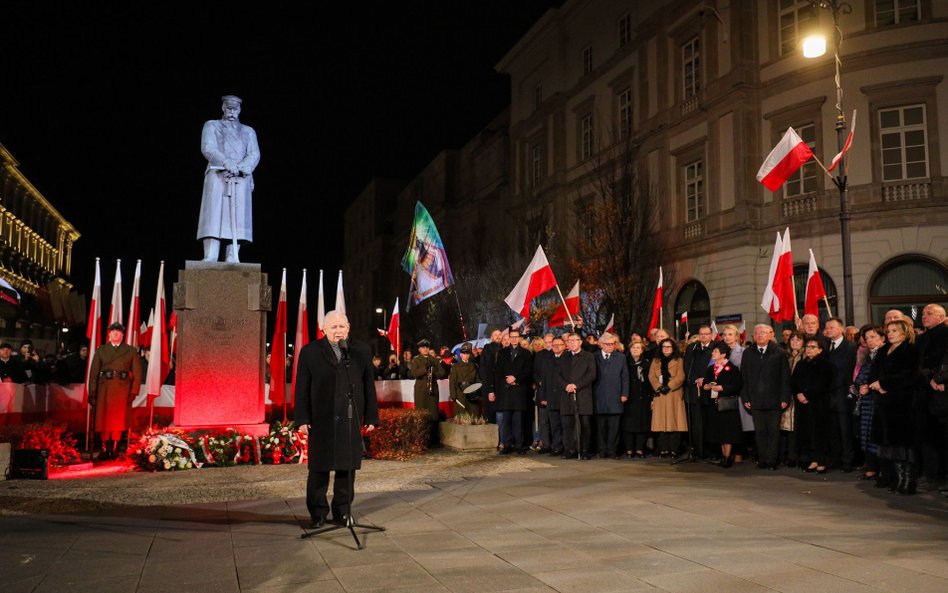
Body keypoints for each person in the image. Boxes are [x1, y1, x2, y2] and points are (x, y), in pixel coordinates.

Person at [294, 311, 378, 527]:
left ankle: (342, 512)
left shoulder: (361, 351)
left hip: (350, 418)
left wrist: (371, 415)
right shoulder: (309, 352)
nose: (339, 331)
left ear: (348, 328)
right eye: (334, 327)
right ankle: (318, 514)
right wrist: (302, 418)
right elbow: (301, 389)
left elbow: (369, 385)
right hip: (320, 419)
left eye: (342, 327)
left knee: (346, 469)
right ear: (323, 329)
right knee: (319, 470)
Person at [197, 95, 260, 263]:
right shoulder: (212, 125)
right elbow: (208, 147)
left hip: (240, 177)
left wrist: (244, 166)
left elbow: (254, 153)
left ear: (240, 110)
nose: (232, 112)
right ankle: (210, 254)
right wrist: (226, 161)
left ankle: (233, 255)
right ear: (223, 108)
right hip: (218, 174)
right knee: (214, 215)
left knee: (238, 217)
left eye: (235, 109)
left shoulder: (248, 131)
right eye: (229, 108)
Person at [868, 319, 922, 494]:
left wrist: (884, 384)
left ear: (905, 333)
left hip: (902, 403)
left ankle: (907, 481)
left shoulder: (911, 350)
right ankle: (893, 478)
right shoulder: (883, 350)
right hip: (883, 403)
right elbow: (873, 371)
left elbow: (910, 375)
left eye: (894, 330)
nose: (890, 333)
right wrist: (876, 384)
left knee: (902, 443)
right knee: (887, 442)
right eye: (889, 330)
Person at [88, 323, 143, 460]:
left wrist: (133, 392)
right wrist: (92, 392)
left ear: (123, 334)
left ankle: (115, 448)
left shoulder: (130, 351)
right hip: (104, 388)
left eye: (118, 332)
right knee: (104, 419)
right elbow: (93, 373)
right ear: (109, 334)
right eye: (113, 331)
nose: (116, 334)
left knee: (118, 420)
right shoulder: (101, 350)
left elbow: (137, 373)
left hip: (122, 389)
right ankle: (104, 448)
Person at [741, 324, 791, 470]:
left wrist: (784, 398)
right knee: (760, 432)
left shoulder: (779, 353)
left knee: (773, 432)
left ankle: (772, 460)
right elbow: (744, 377)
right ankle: (762, 459)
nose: (760, 335)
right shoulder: (748, 353)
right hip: (755, 400)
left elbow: (785, 378)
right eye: (757, 333)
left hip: (774, 400)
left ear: (771, 334)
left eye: (763, 333)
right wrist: (746, 398)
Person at [915, 304, 948, 489]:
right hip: (922, 391)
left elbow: (941, 361)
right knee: (926, 435)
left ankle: (937, 475)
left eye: (929, 314)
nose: (924, 317)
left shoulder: (945, 334)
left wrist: (933, 375)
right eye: (923, 314)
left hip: (938, 392)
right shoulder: (922, 338)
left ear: (941, 317)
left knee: (938, 435)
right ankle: (930, 474)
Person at [791, 337, 834, 474]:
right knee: (807, 432)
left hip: (818, 403)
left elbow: (823, 384)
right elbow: (794, 382)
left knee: (819, 433)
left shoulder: (825, 364)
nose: (809, 349)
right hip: (802, 404)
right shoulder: (801, 364)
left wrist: (808, 395)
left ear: (820, 349)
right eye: (808, 347)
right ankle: (812, 459)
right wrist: (799, 393)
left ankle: (822, 461)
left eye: (813, 347)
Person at [824, 317, 858, 472]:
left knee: (845, 431)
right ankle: (835, 458)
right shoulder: (825, 347)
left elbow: (848, 371)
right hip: (828, 396)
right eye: (826, 327)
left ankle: (847, 461)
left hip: (843, 394)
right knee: (832, 431)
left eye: (831, 327)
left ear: (840, 329)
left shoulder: (851, 347)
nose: (828, 330)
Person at [491, 328, 533, 454]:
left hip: (519, 391)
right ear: (509, 338)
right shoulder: (502, 353)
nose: (514, 339)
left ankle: (519, 445)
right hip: (506, 391)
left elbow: (528, 370)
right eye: (512, 337)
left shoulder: (526, 353)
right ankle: (507, 445)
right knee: (506, 420)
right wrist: (507, 379)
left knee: (518, 421)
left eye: (516, 337)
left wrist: (516, 378)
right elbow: (498, 370)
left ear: (519, 338)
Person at [701, 343, 743, 467]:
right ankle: (723, 455)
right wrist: (707, 386)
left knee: (728, 432)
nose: (713, 353)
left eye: (715, 351)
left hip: (726, 404)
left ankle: (727, 456)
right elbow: (705, 384)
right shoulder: (710, 368)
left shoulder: (732, 368)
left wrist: (723, 387)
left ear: (723, 354)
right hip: (714, 404)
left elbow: (737, 385)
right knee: (719, 431)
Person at [853, 325, 885, 481]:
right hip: (866, 401)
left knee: (877, 434)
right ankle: (872, 466)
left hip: (879, 400)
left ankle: (880, 469)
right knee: (866, 434)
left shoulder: (885, 355)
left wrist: (870, 386)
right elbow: (859, 378)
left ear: (882, 338)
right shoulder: (868, 356)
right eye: (867, 338)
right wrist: (862, 385)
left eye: (873, 337)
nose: (870, 341)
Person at [560, 332, 597, 459]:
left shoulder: (588, 356)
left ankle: (585, 449)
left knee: (585, 424)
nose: (571, 343)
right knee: (568, 424)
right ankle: (571, 449)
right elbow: (557, 375)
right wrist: (566, 385)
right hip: (567, 394)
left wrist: (576, 385)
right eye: (569, 341)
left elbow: (591, 374)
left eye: (574, 340)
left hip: (583, 394)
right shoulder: (564, 356)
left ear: (580, 342)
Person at [649, 337, 687, 457]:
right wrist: (659, 387)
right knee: (661, 424)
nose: (666, 349)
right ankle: (663, 449)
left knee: (675, 423)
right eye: (664, 346)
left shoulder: (679, 360)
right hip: (660, 394)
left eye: (668, 347)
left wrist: (669, 386)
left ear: (673, 348)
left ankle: (674, 449)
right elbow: (651, 376)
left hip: (674, 394)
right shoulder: (655, 361)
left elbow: (681, 376)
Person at [593, 332, 628, 459]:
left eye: (613, 344)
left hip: (615, 397)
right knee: (601, 427)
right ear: (601, 344)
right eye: (607, 344)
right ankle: (602, 450)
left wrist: (624, 393)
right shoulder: (594, 357)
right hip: (599, 396)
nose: (610, 346)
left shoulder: (621, 357)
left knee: (614, 427)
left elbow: (624, 377)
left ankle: (612, 451)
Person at [684, 325, 714, 459]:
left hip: (709, 390)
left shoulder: (716, 347)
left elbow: (716, 367)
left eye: (706, 334)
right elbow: (687, 366)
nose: (703, 336)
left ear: (711, 335)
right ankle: (697, 451)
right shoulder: (693, 348)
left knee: (709, 423)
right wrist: (695, 380)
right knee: (696, 424)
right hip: (694, 390)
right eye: (701, 334)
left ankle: (710, 452)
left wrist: (705, 379)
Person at [410, 339, 447, 447]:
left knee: (433, 414)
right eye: (423, 347)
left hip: (433, 390)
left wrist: (433, 373)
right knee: (421, 414)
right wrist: (425, 368)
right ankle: (422, 440)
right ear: (419, 349)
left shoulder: (434, 360)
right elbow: (415, 373)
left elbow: (442, 372)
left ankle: (434, 441)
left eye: (427, 347)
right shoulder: (416, 360)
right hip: (421, 391)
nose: (425, 349)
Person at [780, 331, 806, 467]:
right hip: (788, 396)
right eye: (792, 339)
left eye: (798, 339)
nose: (795, 342)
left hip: (800, 397)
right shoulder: (787, 357)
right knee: (788, 428)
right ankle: (790, 454)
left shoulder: (805, 357)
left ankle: (799, 455)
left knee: (798, 426)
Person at [622, 341, 651, 458]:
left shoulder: (647, 364)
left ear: (642, 350)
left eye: (638, 348)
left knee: (642, 424)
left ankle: (640, 448)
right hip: (629, 398)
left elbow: (650, 382)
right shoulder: (625, 362)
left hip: (643, 398)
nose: (635, 349)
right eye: (633, 347)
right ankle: (629, 449)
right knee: (628, 424)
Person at [541, 336, 568, 455]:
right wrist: (544, 397)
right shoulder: (548, 360)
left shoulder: (568, 359)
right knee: (554, 424)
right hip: (551, 397)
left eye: (559, 345)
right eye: (554, 345)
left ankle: (566, 447)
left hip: (564, 397)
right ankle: (556, 447)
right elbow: (544, 380)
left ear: (564, 346)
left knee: (565, 424)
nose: (557, 347)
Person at [480, 329, 504, 425]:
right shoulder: (487, 349)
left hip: (501, 387)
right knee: (491, 413)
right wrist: (489, 388)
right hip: (489, 386)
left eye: (499, 334)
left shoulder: (504, 348)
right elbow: (484, 370)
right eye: (495, 335)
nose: (498, 336)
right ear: (491, 337)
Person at [449, 343, 479, 417]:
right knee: (461, 415)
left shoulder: (473, 365)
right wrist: (453, 395)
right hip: (460, 393)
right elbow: (452, 382)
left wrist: (478, 391)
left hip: (472, 391)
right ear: (461, 354)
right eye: (464, 353)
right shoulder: (456, 366)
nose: (466, 355)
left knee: (473, 414)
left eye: (468, 353)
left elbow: (477, 379)